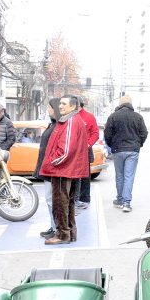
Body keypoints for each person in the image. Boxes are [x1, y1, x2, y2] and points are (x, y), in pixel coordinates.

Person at [39, 95, 89, 245]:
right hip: (67, 169)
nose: (60, 106)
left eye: (64, 104)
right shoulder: (73, 120)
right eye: (60, 103)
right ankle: (70, 233)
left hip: (62, 170)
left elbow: (66, 150)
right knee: (68, 203)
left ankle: (62, 235)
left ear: (73, 106)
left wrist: (52, 163)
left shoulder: (70, 121)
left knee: (60, 204)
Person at [104, 95, 148, 212]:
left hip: (118, 150)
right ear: (131, 104)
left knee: (119, 176)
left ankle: (119, 199)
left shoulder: (113, 116)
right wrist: (138, 144)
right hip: (133, 150)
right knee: (129, 176)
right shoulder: (138, 117)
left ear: (120, 104)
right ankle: (127, 203)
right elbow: (144, 133)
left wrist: (112, 145)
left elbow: (107, 134)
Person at [36, 98, 61, 239]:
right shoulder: (52, 124)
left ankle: (57, 228)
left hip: (53, 169)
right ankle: (54, 226)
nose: (48, 110)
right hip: (48, 168)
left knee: (52, 200)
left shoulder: (58, 126)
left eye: (50, 108)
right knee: (50, 199)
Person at [73, 96, 99, 212]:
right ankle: (74, 199)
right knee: (73, 176)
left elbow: (95, 133)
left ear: (78, 105)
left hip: (85, 150)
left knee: (85, 176)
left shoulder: (89, 117)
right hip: (72, 151)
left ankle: (84, 199)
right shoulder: (70, 116)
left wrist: (88, 144)